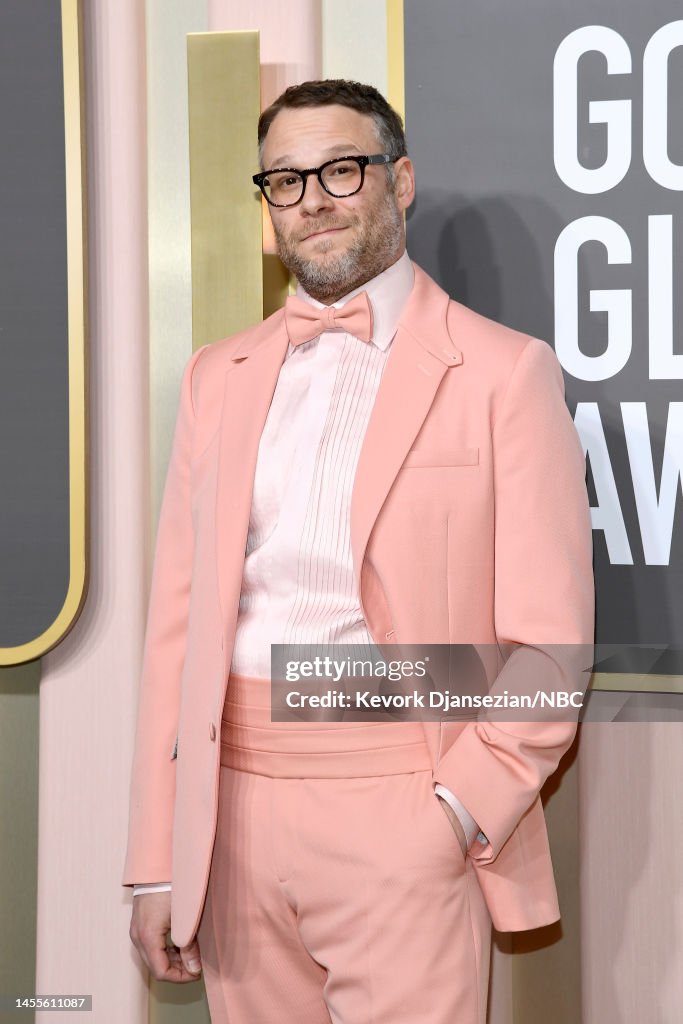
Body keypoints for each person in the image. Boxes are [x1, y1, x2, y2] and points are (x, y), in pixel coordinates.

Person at [122, 78, 595, 1023]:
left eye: (341, 169)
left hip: (403, 798)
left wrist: (453, 810)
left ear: (400, 179)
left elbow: (552, 650)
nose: (314, 201)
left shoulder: (505, 371)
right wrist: (154, 858)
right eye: (285, 181)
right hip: (232, 811)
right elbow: (175, 634)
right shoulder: (219, 376)